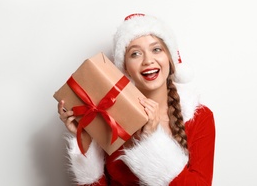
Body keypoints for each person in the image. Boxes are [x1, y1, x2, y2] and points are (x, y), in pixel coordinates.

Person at [58, 13, 215, 185]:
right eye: (135, 54)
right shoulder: (109, 118)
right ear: (125, 67)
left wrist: (151, 140)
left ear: (170, 59)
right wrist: (86, 141)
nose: (148, 60)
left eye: (156, 49)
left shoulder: (200, 117)